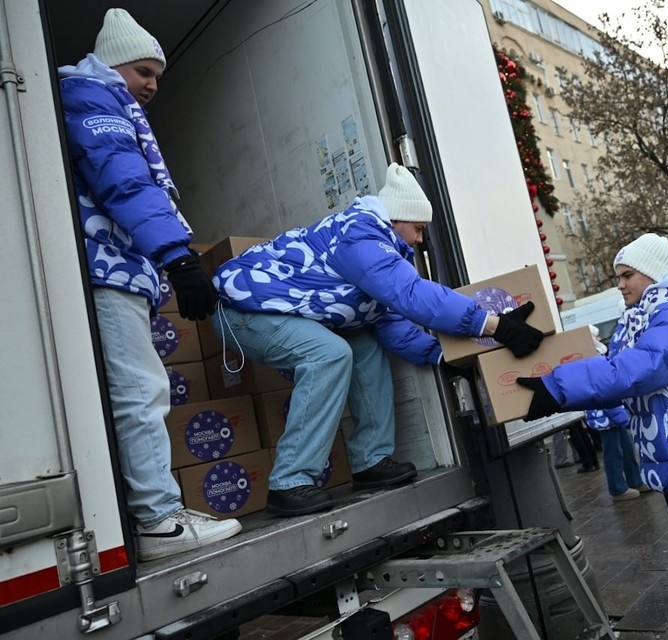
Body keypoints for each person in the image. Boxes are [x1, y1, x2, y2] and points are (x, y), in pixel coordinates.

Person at [212, 163, 545, 516]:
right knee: (330, 353)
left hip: (281, 310)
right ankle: (290, 481)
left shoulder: (379, 250)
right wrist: (492, 325)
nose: (420, 239)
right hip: (243, 310)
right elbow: (411, 294)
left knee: (366, 347)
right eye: (418, 229)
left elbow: (392, 323)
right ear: (397, 219)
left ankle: (370, 461)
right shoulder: (360, 235)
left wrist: (444, 356)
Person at [517, 234, 668, 640]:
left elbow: (640, 369)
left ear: (651, 273)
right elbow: (628, 386)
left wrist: (556, 386)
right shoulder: (642, 320)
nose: (620, 284)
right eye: (619, 276)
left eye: (627, 275)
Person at [58, 9, 242, 561]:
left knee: (134, 391)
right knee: (141, 391)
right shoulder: (95, 99)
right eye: (143, 71)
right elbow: (126, 181)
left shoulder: (101, 100)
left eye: (157, 75)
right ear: (114, 64)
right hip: (110, 267)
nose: (153, 86)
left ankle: (152, 513)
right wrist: (178, 259)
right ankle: (160, 522)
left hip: (117, 266)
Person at [583, 326, 647, 501]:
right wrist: (620, 416)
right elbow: (604, 390)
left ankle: (634, 480)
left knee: (626, 448)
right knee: (613, 453)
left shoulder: (595, 358)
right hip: (606, 415)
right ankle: (617, 488)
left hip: (609, 414)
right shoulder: (594, 360)